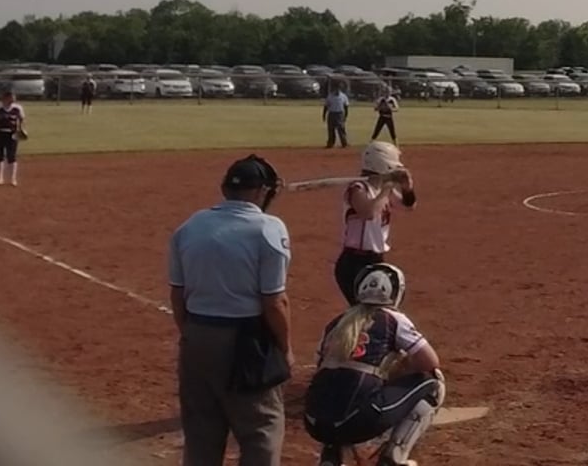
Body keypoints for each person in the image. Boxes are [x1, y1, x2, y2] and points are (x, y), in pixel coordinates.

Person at [168, 155, 293, 466]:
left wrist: (192, 335)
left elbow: (177, 294)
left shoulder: (190, 226)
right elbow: (274, 301)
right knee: (261, 431)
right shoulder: (268, 228)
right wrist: (285, 348)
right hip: (245, 343)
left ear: (225, 189)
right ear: (262, 191)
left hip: (196, 338)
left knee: (200, 434)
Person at [303, 263, 444, 466]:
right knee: (432, 382)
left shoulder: (337, 322)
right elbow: (429, 362)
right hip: (359, 421)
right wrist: (396, 372)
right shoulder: (393, 319)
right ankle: (393, 458)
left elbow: (320, 366)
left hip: (314, 421)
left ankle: (331, 456)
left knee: (335, 384)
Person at [336, 142, 417, 304]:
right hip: (354, 262)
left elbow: (409, 206)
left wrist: (407, 188)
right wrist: (386, 189)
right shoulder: (357, 188)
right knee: (364, 310)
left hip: (376, 259)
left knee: (375, 310)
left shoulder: (383, 190)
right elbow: (368, 213)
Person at [0, 89, 27, 186]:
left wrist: (22, 130)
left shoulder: (18, 108)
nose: (14, 99)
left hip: (12, 135)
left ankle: (13, 179)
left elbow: (21, 119)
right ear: (5, 98)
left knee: (11, 156)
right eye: (11, 97)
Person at [324, 82, 351, 149]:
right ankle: (330, 143)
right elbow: (326, 106)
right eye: (336, 89)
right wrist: (324, 115)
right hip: (332, 114)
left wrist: (345, 115)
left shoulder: (343, 96)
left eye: (338, 89)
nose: (337, 90)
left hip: (339, 114)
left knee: (341, 129)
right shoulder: (330, 96)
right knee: (331, 130)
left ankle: (344, 143)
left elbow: (346, 106)